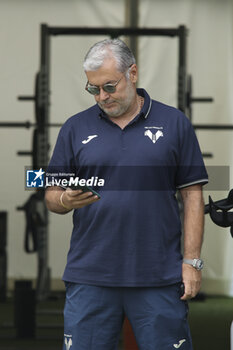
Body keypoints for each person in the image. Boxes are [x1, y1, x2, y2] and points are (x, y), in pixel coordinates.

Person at [45, 38, 208, 350]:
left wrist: (192, 262)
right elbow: (52, 194)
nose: (102, 97)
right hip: (90, 274)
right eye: (93, 89)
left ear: (133, 73)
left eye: (109, 86)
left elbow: (192, 195)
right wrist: (65, 200)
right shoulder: (74, 128)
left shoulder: (175, 123)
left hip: (159, 274)